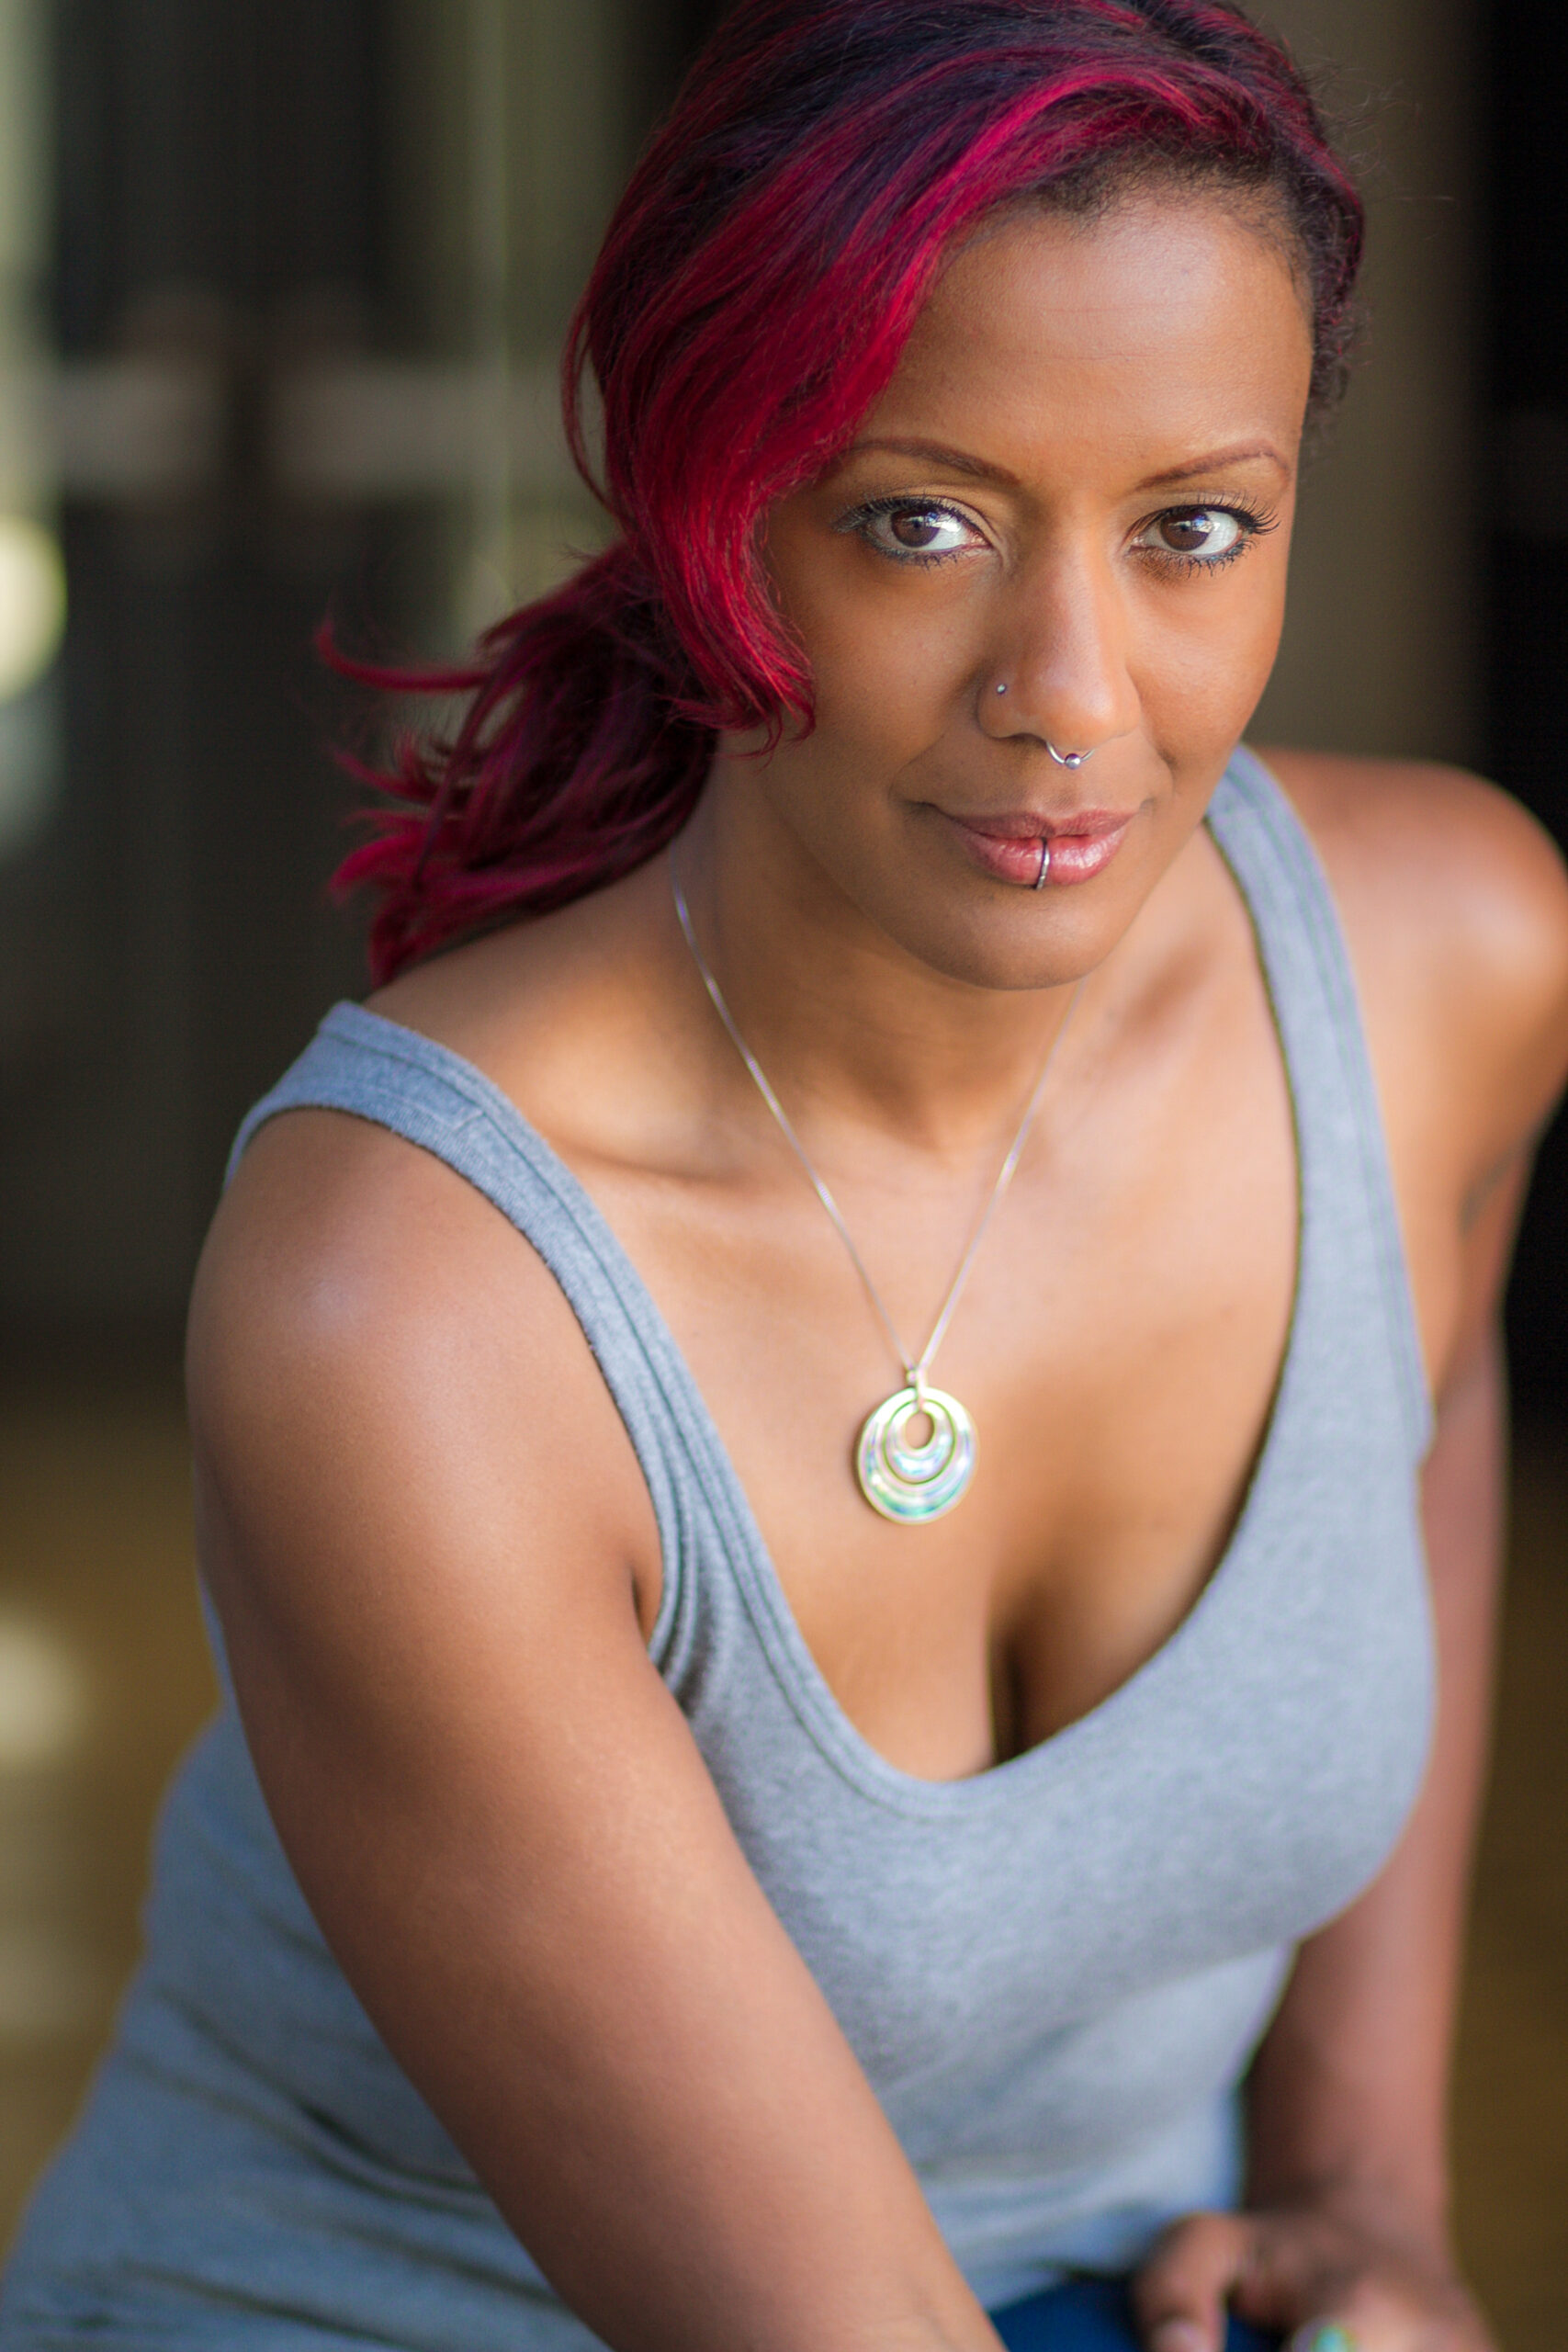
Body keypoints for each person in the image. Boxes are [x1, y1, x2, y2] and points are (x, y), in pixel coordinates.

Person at [5, 4, 1566, 2348]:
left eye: (1190, 529)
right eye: (917, 519)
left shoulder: (1443, 958)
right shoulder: (416, 1292)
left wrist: (1358, 2179)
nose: (1069, 692)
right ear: (702, 510)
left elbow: (1415, 1428)